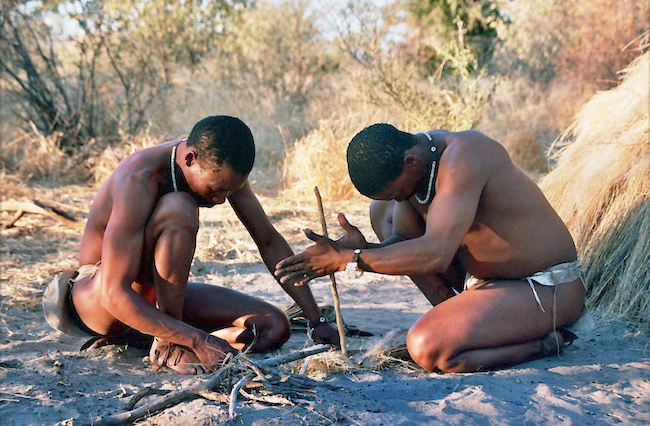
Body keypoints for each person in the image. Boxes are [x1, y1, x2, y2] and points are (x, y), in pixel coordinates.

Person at [275, 124, 586, 373]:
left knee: (426, 347)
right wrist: (365, 250)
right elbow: (409, 244)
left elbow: (437, 253)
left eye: (398, 192)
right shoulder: (421, 164)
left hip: (545, 287)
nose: (400, 199)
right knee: (380, 213)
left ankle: (543, 344)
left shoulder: (465, 156)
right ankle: (460, 319)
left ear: (410, 162)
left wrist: (351, 260)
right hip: (488, 285)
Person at [43, 115, 338, 375]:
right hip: (98, 299)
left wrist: (316, 320)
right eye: (216, 189)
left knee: (274, 326)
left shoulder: (222, 168)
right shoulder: (138, 178)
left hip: (149, 298)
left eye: (230, 190)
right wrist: (196, 339)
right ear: (190, 159)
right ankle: (168, 343)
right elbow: (112, 294)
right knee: (180, 207)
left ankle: (151, 333)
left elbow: (268, 239)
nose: (222, 199)